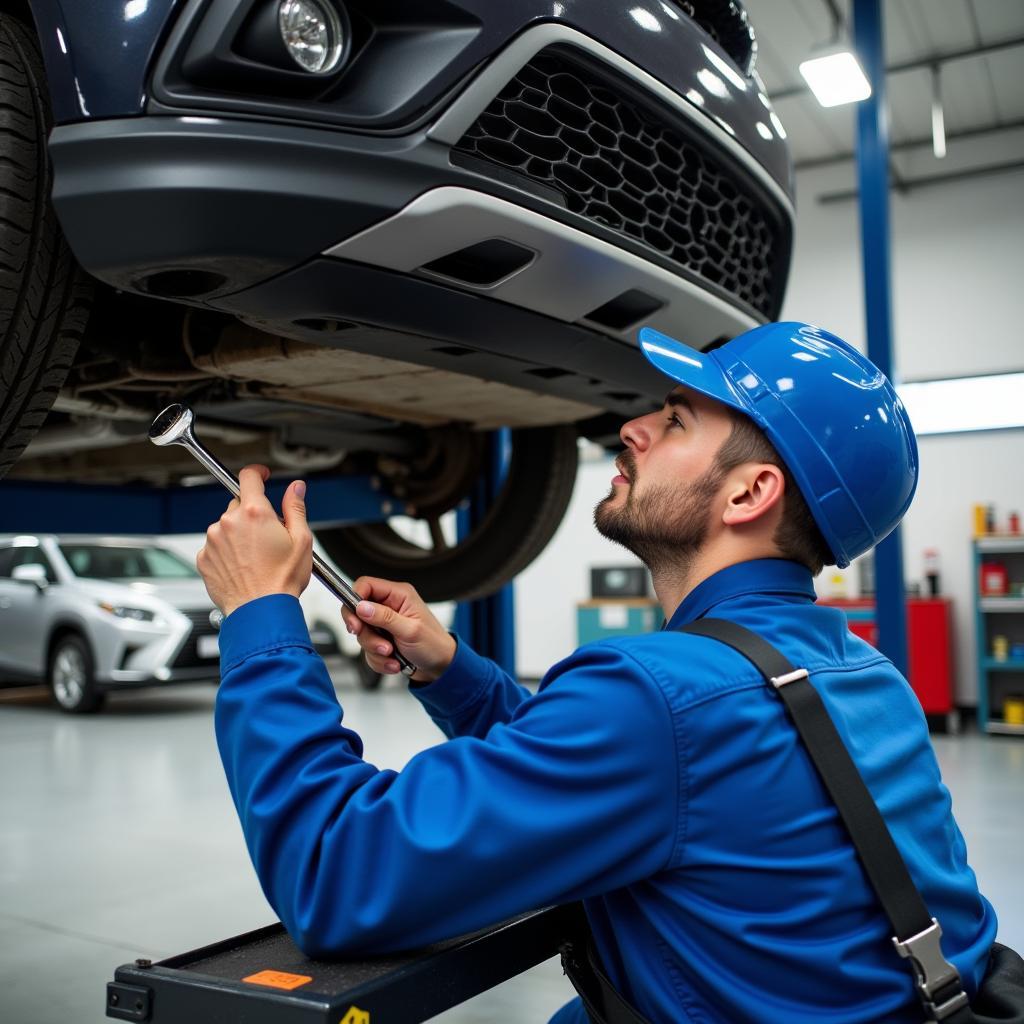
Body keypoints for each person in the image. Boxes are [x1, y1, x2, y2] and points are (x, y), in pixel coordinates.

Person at [197, 321, 996, 1023]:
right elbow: (627, 774)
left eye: (677, 419)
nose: (633, 427)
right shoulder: (865, 672)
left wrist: (260, 612)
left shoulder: (662, 697)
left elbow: (338, 873)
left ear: (751, 492)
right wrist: (454, 671)